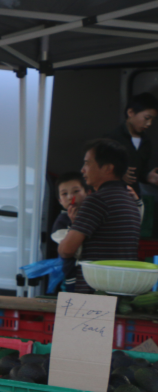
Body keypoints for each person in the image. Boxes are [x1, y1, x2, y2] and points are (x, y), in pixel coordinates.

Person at [59, 139, 143, 292]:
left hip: (95, 293)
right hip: (122, 290)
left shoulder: (97, 200)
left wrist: (64, 241)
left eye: (87, 163)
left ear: (108, 168)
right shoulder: (130, 201)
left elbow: (66, 250)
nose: (82, 170)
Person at [105, 92, 158, 188]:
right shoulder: (112, 138)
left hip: (133, 196)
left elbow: (141, 172)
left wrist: (148, 176)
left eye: (152, 120)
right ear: (130, 113)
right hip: (112, 194)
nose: (149, 123)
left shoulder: (146, 142)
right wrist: (118, 174)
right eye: (147, 118)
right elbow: (100, 168)